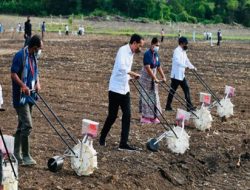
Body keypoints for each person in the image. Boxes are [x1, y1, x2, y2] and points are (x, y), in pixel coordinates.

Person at [99, 34, 144, 151]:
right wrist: (133, 74)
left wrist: (131, 78)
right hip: (115, 89)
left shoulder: (132, 54)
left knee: (127, 115)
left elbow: (125, 72)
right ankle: (102, 136)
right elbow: (121, 67)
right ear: (134, 43)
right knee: (112, 116)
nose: (141, 48)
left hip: (125, 89)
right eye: (140, 45)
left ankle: (123, 143)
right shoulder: (122, 50)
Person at [11, 35, 43, 165]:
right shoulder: (20, 56)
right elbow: (13, 74)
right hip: (21, 97)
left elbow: (36, 72)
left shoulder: (33, 56)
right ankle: (25, 156)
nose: (40, 50)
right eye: (40, 48)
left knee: (21, 126)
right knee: (28, 125)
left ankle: (15, 154)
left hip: (31, 96)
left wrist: (38, 83)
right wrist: (23, 86)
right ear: (34, 47)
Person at [165, 37, 196, 112]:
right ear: (181, 43)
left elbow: (186, 60)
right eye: (185, 43)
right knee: (172, 91)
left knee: (186, 89)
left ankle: (189, 107)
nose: (186, 45)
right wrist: (186, 66)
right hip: (176, 76)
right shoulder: (177, 51)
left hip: (181, 75)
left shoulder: (183, 51)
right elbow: (177, 62)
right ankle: (168, 106)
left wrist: (192, 67)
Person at [139, 37, 166, 124]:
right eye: (156, 45)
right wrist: (155, 78)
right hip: (146, 78)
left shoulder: (156, 54)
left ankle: (153, 116)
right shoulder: (147, 54)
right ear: (152, 44)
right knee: (146, 97)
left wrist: (163, 77)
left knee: (154, 97)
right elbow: (147, 67)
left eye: (159, 45)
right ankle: (145, 117)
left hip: (153, 78)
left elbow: (158, 66)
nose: (158, 47)